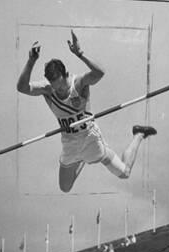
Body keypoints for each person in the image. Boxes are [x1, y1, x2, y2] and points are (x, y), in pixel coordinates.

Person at [17, 30, 157, 192]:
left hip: (90, 138)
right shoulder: (48, 89)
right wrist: (31, 61)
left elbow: (100, 73)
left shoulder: (79, 83)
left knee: (124, 172)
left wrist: (80, 54)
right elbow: (22, 88)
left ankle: (138, 134)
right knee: (65, 187)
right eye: (56, 87)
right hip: (70, 143)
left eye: (62, 85)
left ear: (66, 75)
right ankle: (82, 160)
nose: (60, 90)